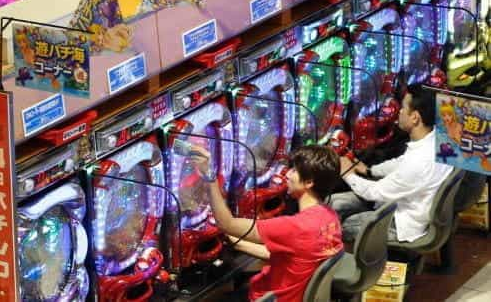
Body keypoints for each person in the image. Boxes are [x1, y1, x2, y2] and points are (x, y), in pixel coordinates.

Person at [189, 144, 343, 302]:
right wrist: (237, 242)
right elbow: (285, 255)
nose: (287, 174)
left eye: (294, 171)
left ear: (309, 182)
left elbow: (226, 223)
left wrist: (209, 175)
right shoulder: (331, 218)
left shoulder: (295, 226)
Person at [332, 84, 454, 244]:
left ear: (415, 117)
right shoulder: (438, 139)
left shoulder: (418, 163)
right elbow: (400, 162)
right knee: (333, 202)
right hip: (406, 202)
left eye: (403, 108)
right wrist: (369, 171)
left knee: (342, 226)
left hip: (405, 223)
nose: (399, 112)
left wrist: (346, 173)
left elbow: (374, 192)